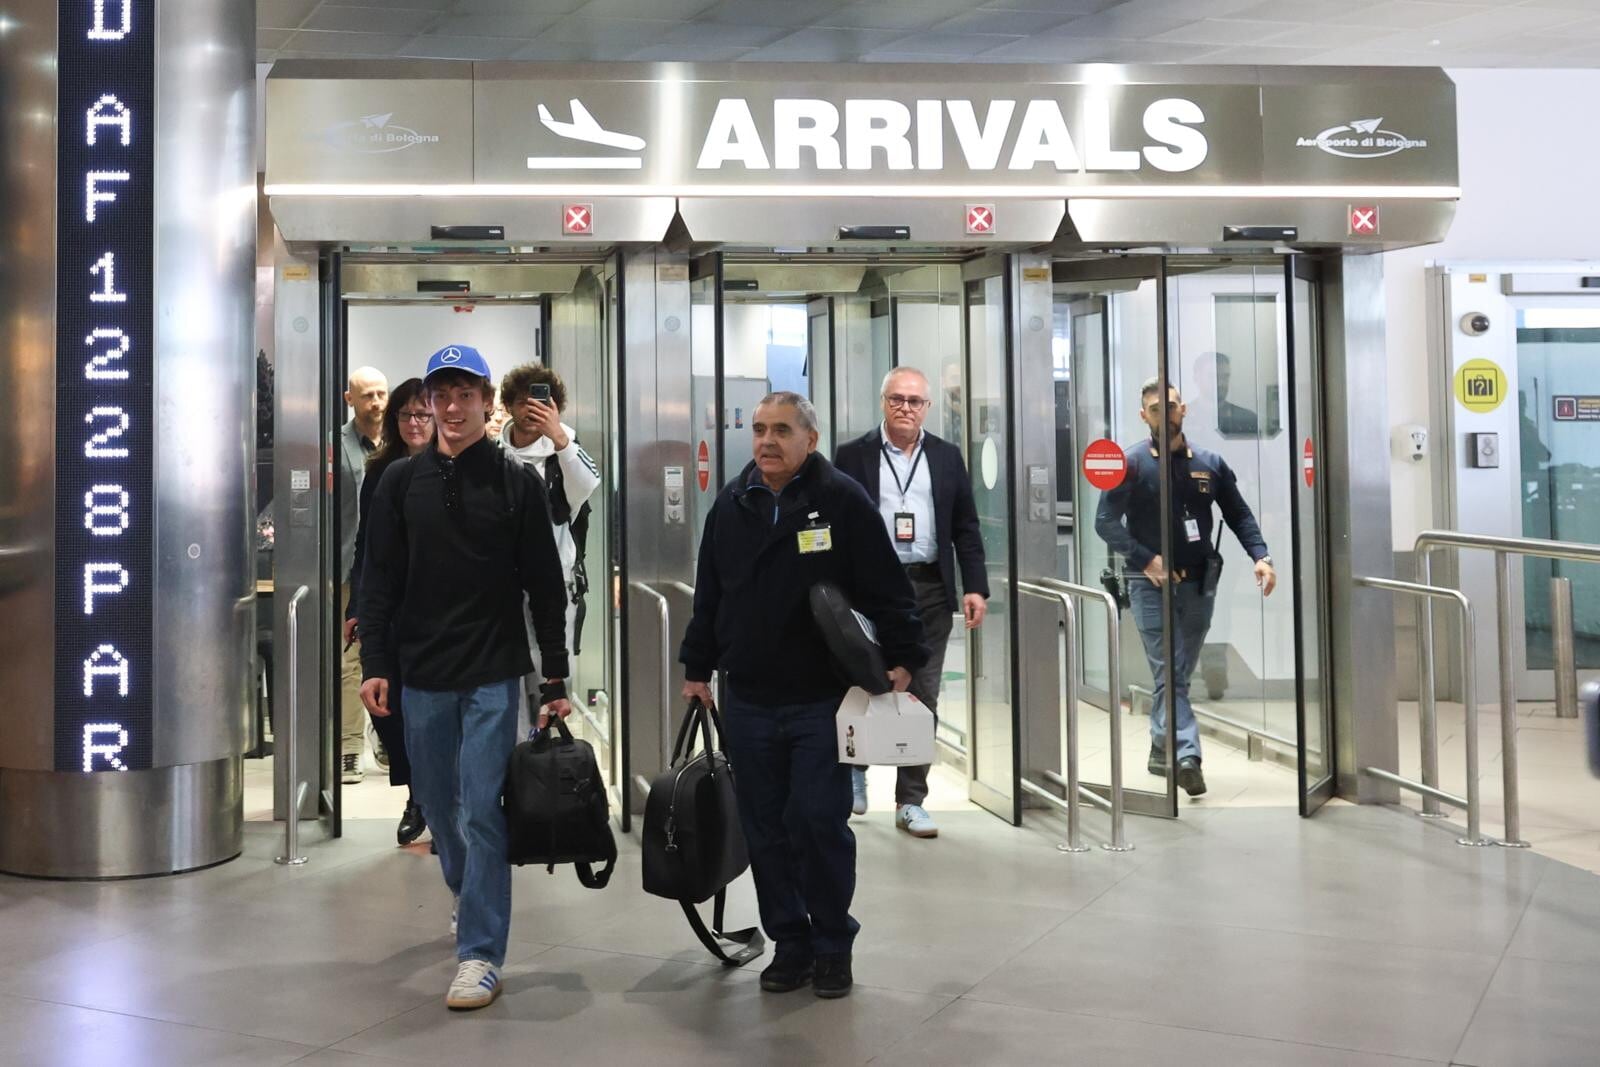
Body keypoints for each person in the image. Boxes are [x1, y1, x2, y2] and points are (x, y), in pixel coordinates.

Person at [679, 391, 928, 1001]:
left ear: (809, 440)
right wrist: (696, 665)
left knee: (818, 821)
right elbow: (710, 593)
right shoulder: (732, 505)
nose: (767, 441)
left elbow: (886, 586)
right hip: (750, 698)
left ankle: (832, 945)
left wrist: (902, 658)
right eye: (760, 429)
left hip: (822, 700)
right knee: (765, 827)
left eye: (782, 431)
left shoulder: (839, 499)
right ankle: (788, 943)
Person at [358, 344, 571, 1011]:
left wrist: (556, 676)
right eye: (439, 397)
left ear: (487, 401)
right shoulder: (399, 483)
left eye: (463, 395)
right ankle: (466, 887)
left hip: (491, 671)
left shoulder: (518, 483)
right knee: (441, 812)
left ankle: (480, 952)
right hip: (420, 671)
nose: (450, 408)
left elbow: (545, 585)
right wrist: (375, 666)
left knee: (482, 807)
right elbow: (378, 579)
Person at [1093, 378, 1275, 798]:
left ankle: (1161, 747)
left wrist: (1261, 557)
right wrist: (1145, 558)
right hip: (1149, 585)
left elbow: (1239, 514)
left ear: (1183, 410)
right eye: (1155, 409)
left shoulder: (1209, 462)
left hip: (1199, 586)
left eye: (1171, 406)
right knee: (1168, 670)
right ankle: (1187, 755)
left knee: (1177, 670)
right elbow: (1104, 523)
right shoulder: (1132, 464)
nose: (1165, 414)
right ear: (1144, 416)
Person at [833, 366, 989, 839]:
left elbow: (965, 526)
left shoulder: (946, 457)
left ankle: (911, 799)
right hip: (868, 587)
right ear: (883, 402)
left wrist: (975, 585)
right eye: (897, 399)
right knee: (859, 682)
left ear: (928, 407)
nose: (906, 408)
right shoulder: (852, 454)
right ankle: (854, 775)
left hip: (929, 588)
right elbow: (835, 520)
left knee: (922, 692)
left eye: (915, 401)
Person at [346, 378, 432, 847]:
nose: (415, 423)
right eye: (406, 415)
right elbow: (366, 547)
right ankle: (418, 794)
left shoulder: (454, 465)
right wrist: (359, 606)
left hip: (440, 610)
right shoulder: (380, 471)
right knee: (388, 707)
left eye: (423, 414)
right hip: (390, 607)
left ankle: (442, 801)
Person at [497, 363, 601, 724]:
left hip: (556, 584)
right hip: (501, 588)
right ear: (508, 405)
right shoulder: (493, 451)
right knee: (507, 685)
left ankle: (549, 767)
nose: (532, 410)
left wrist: (560, 439)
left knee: (551, 682)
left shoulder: (566, 448)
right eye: (523, 402)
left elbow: (587, 484)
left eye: (543, 402)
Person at [339, 366, 388, 783]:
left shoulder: (403, 442)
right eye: (367, 394)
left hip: (391, 568)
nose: (376, 402)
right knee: (349, 660)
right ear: (349, 399)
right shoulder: (336, 446)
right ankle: (350, 746)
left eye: (381, 394)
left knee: (390, 654)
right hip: (346, 569)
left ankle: (387, 736)